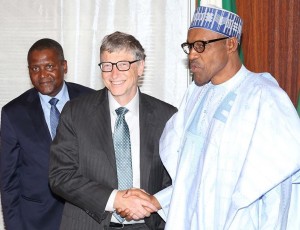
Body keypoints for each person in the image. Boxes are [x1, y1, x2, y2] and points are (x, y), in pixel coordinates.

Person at [121, 5, 300, 229]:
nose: (193, 54)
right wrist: (156, 201)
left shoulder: (264, 97)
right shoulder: (195, 95)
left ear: (231, 44)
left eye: (201, 46)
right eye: (190, 46)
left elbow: (277, 194)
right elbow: (191, 177)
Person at [48, 31, 177, 230]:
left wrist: (151, 202)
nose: (114, 74)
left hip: (148, 225)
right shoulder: (75, 112)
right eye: (107, 66)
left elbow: (178, 179)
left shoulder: (167, 116)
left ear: (140, 66)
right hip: (89, 224)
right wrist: (116, 199)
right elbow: (60, 175)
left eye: (123, 64)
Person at [0, 38, 94, 230]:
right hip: (36, 220)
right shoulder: (13, 113)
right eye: (35, 69)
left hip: (86, 215)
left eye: (49, 66)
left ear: (64, 66)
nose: (42, 75)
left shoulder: (92, 100)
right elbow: (8, 180)